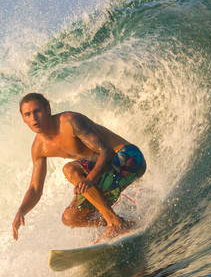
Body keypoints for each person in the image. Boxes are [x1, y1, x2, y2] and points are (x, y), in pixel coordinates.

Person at [12, 92, 146, 243]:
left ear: (48, 108)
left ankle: (114, 223)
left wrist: (89, 179)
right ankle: (124, 223)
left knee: (70, 169)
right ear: (23, 118)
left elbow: (106, 151)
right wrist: (21, 211)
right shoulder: (39, 148)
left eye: (37, 111)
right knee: (71, 218)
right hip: (107, 171)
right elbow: (35, 189)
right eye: (28, 114)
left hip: (129, 158)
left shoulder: (70, 122)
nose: (33, 118)